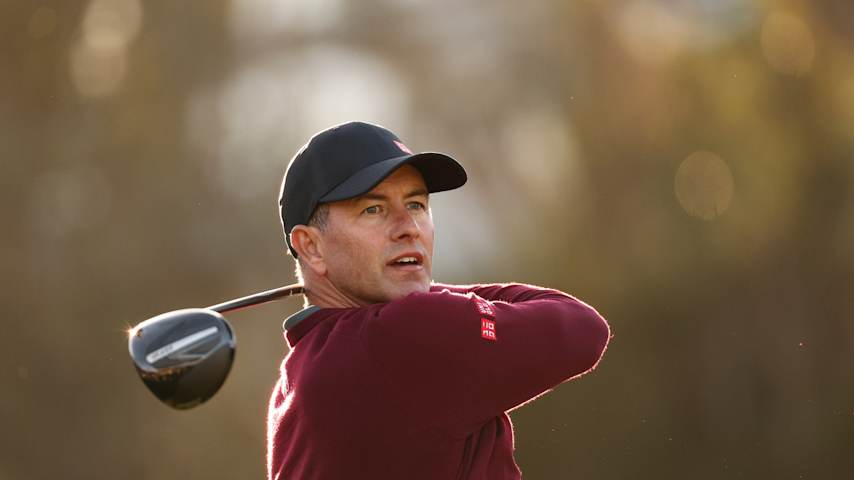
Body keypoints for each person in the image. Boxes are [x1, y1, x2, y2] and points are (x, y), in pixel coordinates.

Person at [268, 121, 610, 479]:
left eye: (416, 204)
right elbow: (582, 327)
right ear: (311, 246)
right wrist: (429, 300)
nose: (408, 227)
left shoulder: (291, 384)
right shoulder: (407, 335)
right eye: (373, 209)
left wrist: (426, 297)